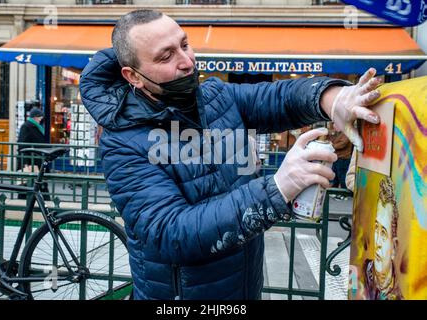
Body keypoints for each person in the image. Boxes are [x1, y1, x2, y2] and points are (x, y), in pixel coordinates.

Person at [79, 9, 382, 300]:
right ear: (133, 76)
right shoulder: (121, 142)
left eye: (184, 44)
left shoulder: (216, 96)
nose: (186, 61)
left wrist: (333, 98)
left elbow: (279, 99)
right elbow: (172, 233)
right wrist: (277, 188)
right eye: (166, 56)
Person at [363, 176, 403, 300]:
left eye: (384, 233)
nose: (377, 242)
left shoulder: (398, 296)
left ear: (394, 247)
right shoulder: (358, 272)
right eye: (376, 228)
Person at [17, 107, 50, 200]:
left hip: (38, 159)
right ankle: (44, 202)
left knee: (39, 183)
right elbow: (22, 145)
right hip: (31, 160)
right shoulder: (26, 127)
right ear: (35, 117)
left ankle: (45, 202)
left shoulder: (38, 127)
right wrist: (25, 163)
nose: (41, 119)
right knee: (29, 183)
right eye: (40, 117)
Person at [328, 122, 353, 199]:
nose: (334, 127)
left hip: (343, 158)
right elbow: (331, 140)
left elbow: (342, 144)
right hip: (337, 158)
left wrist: (331, 146)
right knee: (335, 176)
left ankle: (344, 193)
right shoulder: (337, 133)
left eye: (336, 125)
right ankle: (334, 191)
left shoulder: (346, 133)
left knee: (342, 176)